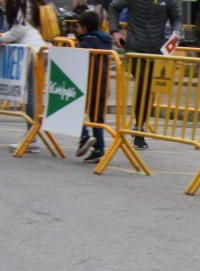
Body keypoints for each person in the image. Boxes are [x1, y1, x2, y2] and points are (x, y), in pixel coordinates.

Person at [107, 0, 183, 150]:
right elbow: (113, 7)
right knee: (143, 85)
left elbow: (177, 18)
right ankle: (140, 128)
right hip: (135, 48)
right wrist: (114, 31)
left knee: (150, 89)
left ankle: (139, 125)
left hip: (157, 50)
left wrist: (177, 33)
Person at [0, 0, 47, 154]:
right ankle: (32, 136)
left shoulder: (21, 4)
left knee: (32, 95)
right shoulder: (30, 3)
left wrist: (3, 39)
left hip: (32, 51)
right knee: (33, 94)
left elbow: (19, 29)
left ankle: (31, 138)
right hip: (37, 49)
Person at [74, 10, 111, 163]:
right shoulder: (105, 40)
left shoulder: (86, 42)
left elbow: (77, 61)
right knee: (98, 117)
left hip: (88, 84)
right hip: (103, 85)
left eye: (78, 27)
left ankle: (84, 136)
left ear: (84, 28)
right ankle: (99, 148)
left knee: (75, 111)